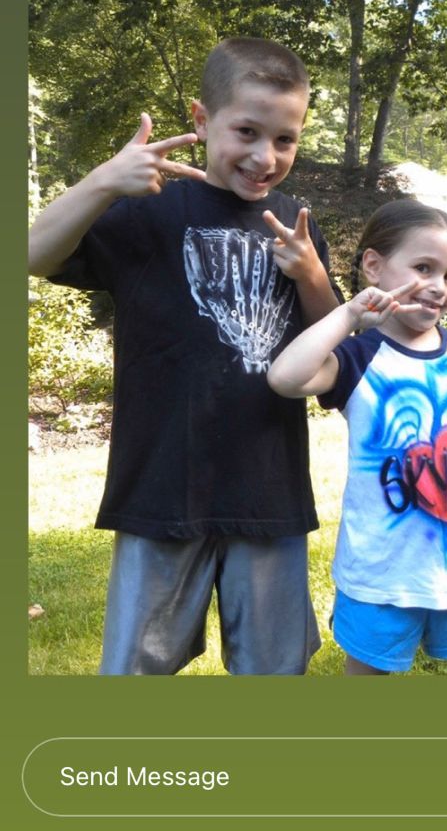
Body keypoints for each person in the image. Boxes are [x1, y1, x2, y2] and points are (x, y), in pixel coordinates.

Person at [29, 37, 341, 675]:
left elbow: (337, 349)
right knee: (134, 671)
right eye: (247, 131)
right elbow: (31, 253)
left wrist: (312, 275)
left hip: (268, 491)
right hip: (161, 486)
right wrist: (102, 183)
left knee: (275, 670)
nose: (265, 156)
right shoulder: (148, 209)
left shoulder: (293, 222)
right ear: (201, 121)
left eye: (285, 139)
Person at [268, 199, 447, 676]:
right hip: (381, 573)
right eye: (423, 267)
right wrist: (347, 316)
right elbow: (284, 377)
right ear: (374, 266)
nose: (439, 287)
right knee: (370, 675)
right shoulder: (358, 358)